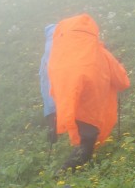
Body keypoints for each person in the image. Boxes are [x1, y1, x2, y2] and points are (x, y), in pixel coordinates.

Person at [47, 13, 130, 172]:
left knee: (85, 139)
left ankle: (80, 170)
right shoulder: (101, 53)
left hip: (69, 106)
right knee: (88, 139)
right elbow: (122, 82)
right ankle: (65, 173)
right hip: (91, 109)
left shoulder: (60, 57)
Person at [38, 23, 58, 143]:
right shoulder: (66, 39)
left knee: (49, 98)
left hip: (48, 78)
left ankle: (52, 132)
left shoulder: (48, 46)